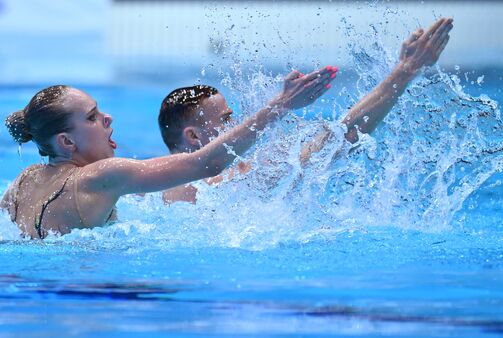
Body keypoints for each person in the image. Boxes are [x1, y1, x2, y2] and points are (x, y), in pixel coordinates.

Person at [0, 67, 336, 239]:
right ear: (67, 143)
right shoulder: (99, 176)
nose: (107, 118)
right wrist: (282, 104)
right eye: (91, 117)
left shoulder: (22, 181)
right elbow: (209, 162)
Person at [156, 18, 453, 203]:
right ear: (193, 136)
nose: (237, 124)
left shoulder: (229, 179)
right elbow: (340, 139)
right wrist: (403, 73)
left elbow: (340, 136)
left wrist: (402, 73)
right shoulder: (188, 190)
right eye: (226, 119)